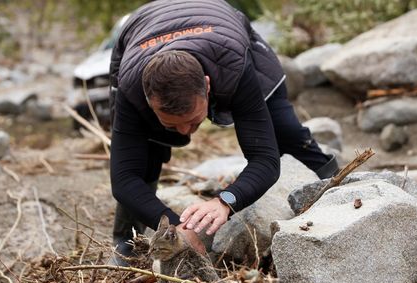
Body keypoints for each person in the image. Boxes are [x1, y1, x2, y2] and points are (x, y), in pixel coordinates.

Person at [108, 0, 338, 263]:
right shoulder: (131, 87)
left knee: (286, 131)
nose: (186, 131)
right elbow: (124, 179)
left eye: (193, 119)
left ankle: (338, 185)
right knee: (145, 154)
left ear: (207, 86)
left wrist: (225, 201)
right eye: (173, 123)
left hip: (222, 35)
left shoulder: (232, 66)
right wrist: (176, 227)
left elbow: (265, 159)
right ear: (148, 102)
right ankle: (125, 244)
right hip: (140, 34)